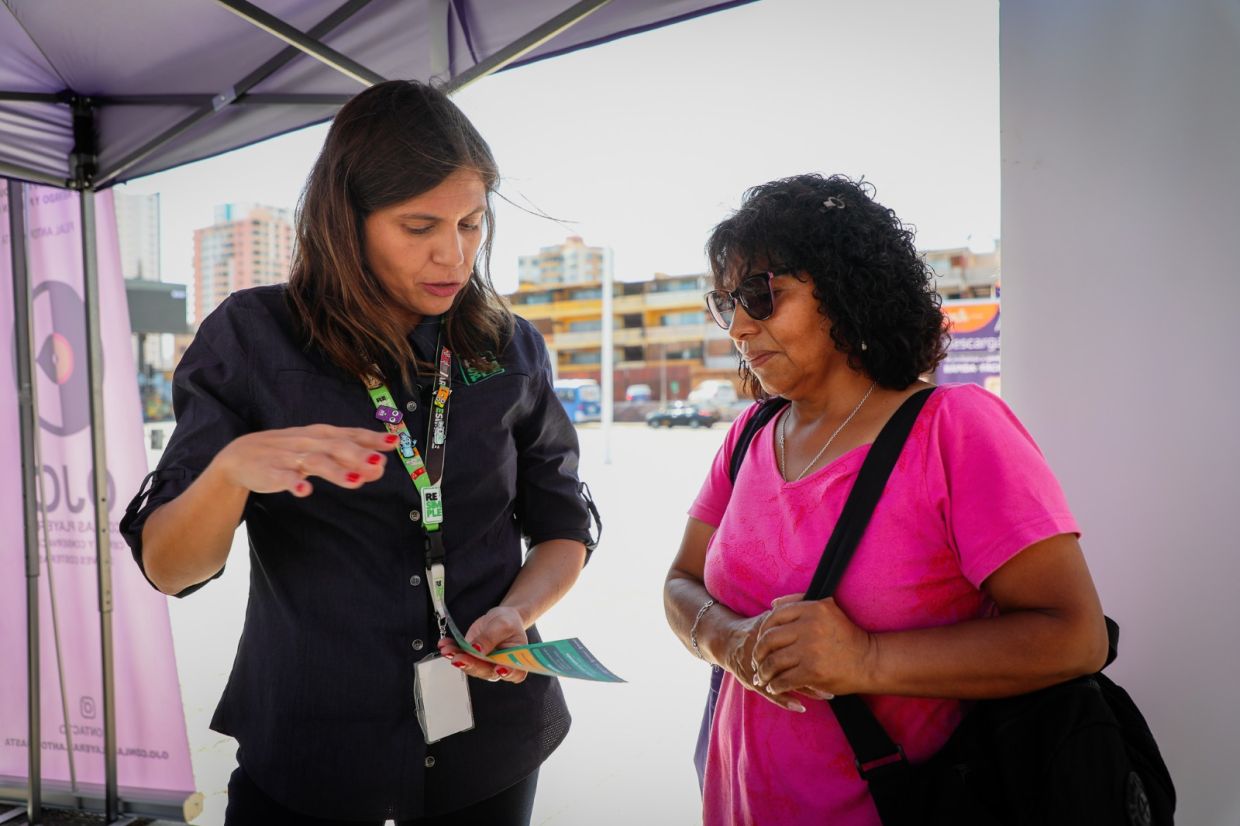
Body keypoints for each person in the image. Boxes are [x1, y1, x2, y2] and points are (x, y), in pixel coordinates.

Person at [120, 80, 597, 825]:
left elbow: (564, 525)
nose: (453, 254)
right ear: (347, 221)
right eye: (419, 226)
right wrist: (230, 471)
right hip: (310, 752)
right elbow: (169, 567)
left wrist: (517, 609)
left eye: (471, 223)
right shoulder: (253, 338)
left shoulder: (509, 347)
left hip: (487, 749)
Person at [663, 174, 1108, 825]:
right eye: (724, 304)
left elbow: (1073, 636)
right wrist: (727, 640)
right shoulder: (749, 435)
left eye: (760, 295)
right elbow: (680, 581)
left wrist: (866, 660)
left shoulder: (954, 430)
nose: (738, 327)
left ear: (845, 288)